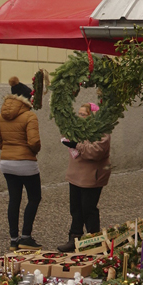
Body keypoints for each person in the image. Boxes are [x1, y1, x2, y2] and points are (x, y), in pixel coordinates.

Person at [0, 76, 42, 250]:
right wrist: (31, 152)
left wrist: (9, 150)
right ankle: (26, 237)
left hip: (6, 162)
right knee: (34, 197)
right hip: (26, 162)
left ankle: (14, 239)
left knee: (14, 199)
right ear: (26, 99)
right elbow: (34, 142)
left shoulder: (2, 116)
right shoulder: (29, 115)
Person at [57, 103, 112, 252]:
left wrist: (77, 145)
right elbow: (66, 135)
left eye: (83, 115)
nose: (80, 117)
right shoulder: (77, 128)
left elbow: (96, 151)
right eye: (79, 114)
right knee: (75, 208)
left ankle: (94, 240)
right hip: (75, 174)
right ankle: (74, 238)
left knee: (88, 209)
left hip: (91, 176)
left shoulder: (101, 131)